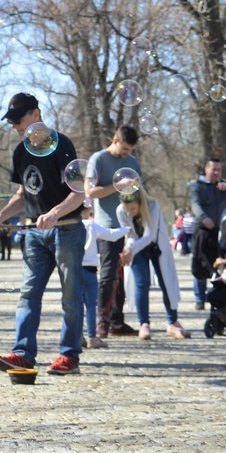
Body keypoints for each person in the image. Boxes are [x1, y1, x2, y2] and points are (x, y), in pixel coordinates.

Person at [0, 93, 87, 376]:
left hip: (67, 231)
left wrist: (55, 214)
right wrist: (0, 216)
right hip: (35, 236)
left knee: (70, 296)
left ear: (36, 114)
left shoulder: (62, 145)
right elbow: (22, 194)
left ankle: (69, 356)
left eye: (19, 118)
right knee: (28, 294)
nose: (14, 125)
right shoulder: (20, 152)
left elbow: (79, 193)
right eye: (11, 120)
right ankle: (23, 353)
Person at [85, 125, 141, 339]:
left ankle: (117, 320)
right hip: (107, 225)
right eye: (125, 149)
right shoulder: (98, 159)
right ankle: (103, 321)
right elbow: (90, 191)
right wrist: (117, 186)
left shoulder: (132, 162)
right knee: (108, 274)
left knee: (123, 273)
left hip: (128, 224)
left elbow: (138, 189)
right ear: (115, 140)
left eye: (131, 150)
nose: (128, 154)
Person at [117, 188, 191, 340]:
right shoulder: (120, 211)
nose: (129, 212)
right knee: (141, 283)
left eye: (132, 208)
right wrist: (129, 249)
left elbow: (149, 235)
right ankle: (143, 323)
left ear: (140, 203)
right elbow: (130, 234)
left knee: (166, 282)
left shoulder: (153, 206)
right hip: (137, 248)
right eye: (126, 209)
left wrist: (132, 249)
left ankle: (172, 321)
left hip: (157, 247)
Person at [189, 158, 226, 311]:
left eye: (219, 170)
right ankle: (199, 298)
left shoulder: (223, 185)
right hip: (203, 230)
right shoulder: (197, 185)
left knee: (219, 264)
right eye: (214, 169)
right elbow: (195, 204)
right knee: (200, 264)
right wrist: (204, 218)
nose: (216, 172)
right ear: (206, 169)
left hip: (220, 231)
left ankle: (217, 296)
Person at [80, 206, 128, 349]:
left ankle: (77, 336)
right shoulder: (91, 225)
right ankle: (92, 337)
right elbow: (111, 235)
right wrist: (126, 229)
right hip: (90, 270)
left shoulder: (69, 228)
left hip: (73, 270)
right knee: (90, 306)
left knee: (75, 305)